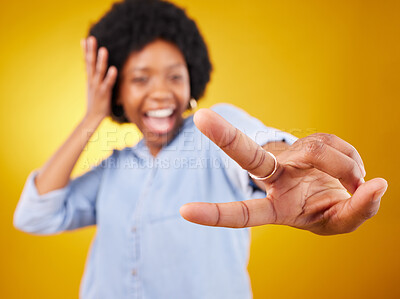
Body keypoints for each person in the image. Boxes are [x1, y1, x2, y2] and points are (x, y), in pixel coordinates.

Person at [13, 0, 388, 298]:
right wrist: (90, 117)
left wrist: (283, 160)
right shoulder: (114, 169)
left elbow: (253, 144)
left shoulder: (212, 131)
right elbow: (34, 215)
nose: (160, 91)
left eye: (175, 76)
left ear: (193, 80)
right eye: (140, 79)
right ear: (117, 94)